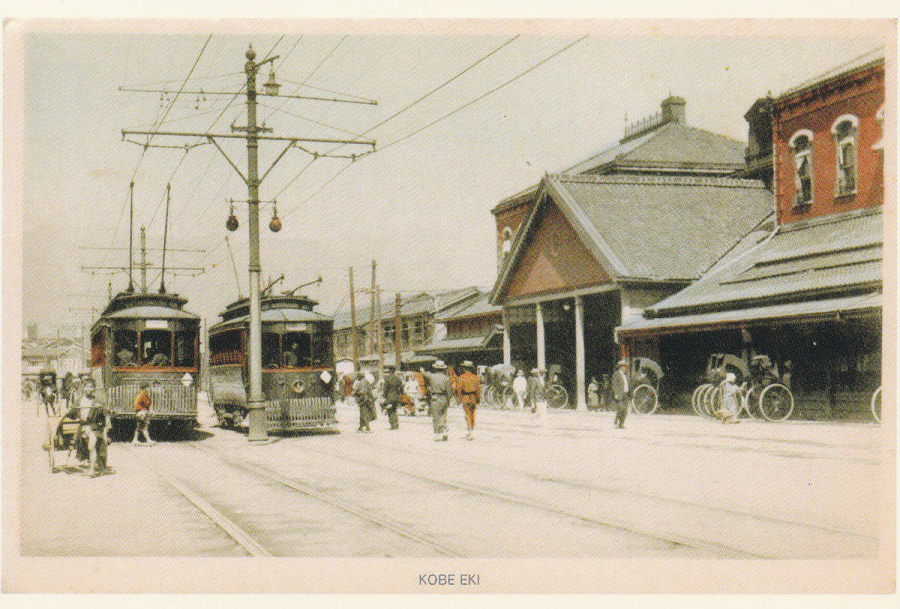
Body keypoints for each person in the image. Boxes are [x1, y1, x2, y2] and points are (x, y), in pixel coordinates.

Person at [62, 380, 112, 477]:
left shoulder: (97, 401)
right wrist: (68, 412)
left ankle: (92, 470)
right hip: (84, 427)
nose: (89, 389)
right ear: (84, 388)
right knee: (90, 445)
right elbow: (72, 414)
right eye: (87, 387)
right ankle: (92, 467)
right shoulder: (79, 400)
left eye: (91, 387)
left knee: (94, 445)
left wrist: (102, 410)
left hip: (95, 427)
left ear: (94, 389)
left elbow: (104, 413)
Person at [426, 360, 453, 441]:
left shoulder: (432, 377)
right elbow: (449, 391)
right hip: (444, 397)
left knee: (436, 416)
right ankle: (444, 431)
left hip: (435, 398)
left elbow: (426, 375)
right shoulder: (446, 378)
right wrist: (448, 400)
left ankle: (437, 434)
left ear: (435, 368)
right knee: (443, 415)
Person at [457, 360, 481, 440]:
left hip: (466, 397)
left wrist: (459, 399)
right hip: (473, 397)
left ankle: (469, 429)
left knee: (467, 414)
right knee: (473, 414)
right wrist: (478, 398)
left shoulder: (461, 378)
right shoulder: (476, 377)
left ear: (464, 368)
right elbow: (478, 390)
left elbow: (459, 390)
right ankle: (472, 429)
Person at [382, 365, 404, 430]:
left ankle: (392, 425)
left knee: (390, 411)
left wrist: (385, 396)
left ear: (389, 371)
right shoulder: (398, 378)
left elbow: (385, 389)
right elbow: (401, 388)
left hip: (390, 396)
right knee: (394, 410)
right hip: (396, 396)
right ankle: (396, 423)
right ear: (394, 371)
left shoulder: (387, 378)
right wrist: (400, 394)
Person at [612, 359, 630, 429]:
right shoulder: (616, 374)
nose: (625, 368)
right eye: (624, 367)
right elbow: (614, 385)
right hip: (619, 394)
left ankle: (621, 423)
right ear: (621, 367)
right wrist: (615, 393)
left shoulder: (625, 375)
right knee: (621, 409)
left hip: (625, 394)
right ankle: (616, 421)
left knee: (625, 410)